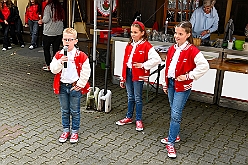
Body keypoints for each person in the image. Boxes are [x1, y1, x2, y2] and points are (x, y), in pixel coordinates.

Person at [161, 21, 209, 158]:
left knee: (175, 114)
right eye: (176, 33)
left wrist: (189, 76)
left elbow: (204, 66)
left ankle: (170, 143)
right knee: (173, 111)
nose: (176, 36)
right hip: (171, 84)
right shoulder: (172, 48)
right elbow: (168, 68)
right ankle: (175, 136)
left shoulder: (192, 50)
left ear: (188, 35)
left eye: (180, 34)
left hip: (182, 86)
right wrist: (165, 83)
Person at [115, 21, 161, 131]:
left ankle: (139, 119)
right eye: (131, 32)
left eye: (135, 32)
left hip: (138, 75)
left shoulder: (146, 45)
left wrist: (144, 65)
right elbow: (125, 62)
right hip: (129, 73)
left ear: (142, 33)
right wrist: (123, 76)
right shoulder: (130, 45)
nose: (133, 34)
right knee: (130, 96)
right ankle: (129, 117)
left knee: (138, 98)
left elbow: (157, 59)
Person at [50, 28, 91, 143]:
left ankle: (74, 131)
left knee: (75, 111)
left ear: (76, 41)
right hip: (62, 86)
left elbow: (86, 71)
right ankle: (65, 130)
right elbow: (53, 69)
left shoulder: (81, 55)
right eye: (65, 39)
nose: (67, 42)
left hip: (74, 87)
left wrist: (80, 84)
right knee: (64, 110)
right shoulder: (59, 55)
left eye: (70, 39)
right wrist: (60, 62)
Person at [38, 0, 64, 71]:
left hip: (49, 32)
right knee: (56, 50)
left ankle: (48, 65)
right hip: (58, 31)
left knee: (46, 49)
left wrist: (41, 21)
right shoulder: (60, 7)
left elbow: (46, 19)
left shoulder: (48, 7)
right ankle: (56, 65)